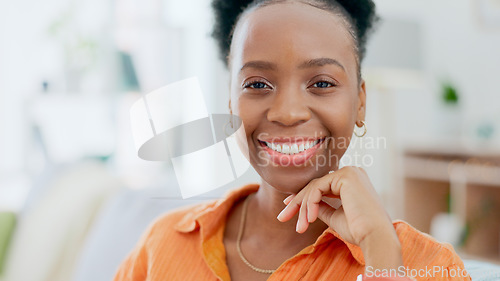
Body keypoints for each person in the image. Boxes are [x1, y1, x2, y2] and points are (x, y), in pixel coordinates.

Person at [113, 0, 471, 280]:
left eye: (321, 83)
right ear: (230, 103)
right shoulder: (164, 243)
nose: (287, 113)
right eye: (257, 84)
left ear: (360, 102)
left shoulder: (429, 265)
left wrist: (381, 250)